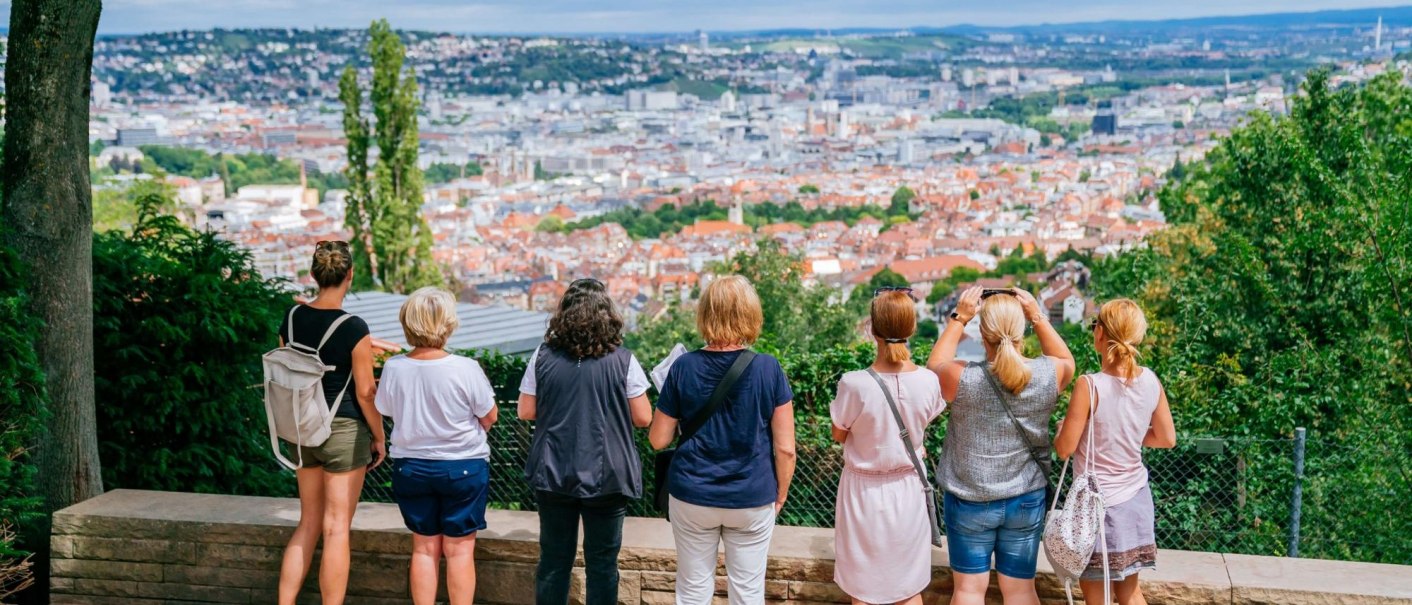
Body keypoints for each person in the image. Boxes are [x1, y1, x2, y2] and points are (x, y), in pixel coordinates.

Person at [648, 275, 797, 605]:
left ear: (705, 314)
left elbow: (658, 440)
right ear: (750, 314)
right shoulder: (768, 369)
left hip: (692, 494)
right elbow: (786, 448)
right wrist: (780, 495)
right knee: (747, 591)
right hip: (751, 495)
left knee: (693, 589)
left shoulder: (683, 367)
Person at [927, 286, 1075, 605]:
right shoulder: (1049, 374)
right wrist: (1037, 314)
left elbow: (933, 368)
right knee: (1021, 591)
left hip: (970, 497)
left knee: (968, 591)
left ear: (982, 333)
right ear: (1022, 330)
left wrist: (959, 317)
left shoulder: (961, 378)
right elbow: (1066, 358)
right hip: (1025, 498)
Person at [517, 278, 654, 605]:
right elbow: (643, 417)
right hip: (607, 475)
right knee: (603, 564)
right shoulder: (624, 360)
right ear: (607, 313)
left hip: (554, 471)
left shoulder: (543, 355)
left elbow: (525, 410)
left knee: (553, 562)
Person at [275, 241, 385, 605]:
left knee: (307, 523)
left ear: (314, 275)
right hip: (343, 430)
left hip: (301, 427)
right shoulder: (354, 327)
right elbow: (367, 392)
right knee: (336, 529)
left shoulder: (291, 319)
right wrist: (380, 436)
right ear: (349, 275)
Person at [375, 287, 499, 605]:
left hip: (411, 466)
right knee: (459, 551)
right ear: (448, 323)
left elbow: (386, 409)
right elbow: (490, 416)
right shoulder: (465, 368)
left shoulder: (394, 367)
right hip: (463, 466)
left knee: (424, 547)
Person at [1053, 299, 1175, 605]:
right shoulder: (1150, 380)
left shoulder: (1089, 386)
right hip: (1135, 500)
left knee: (1098, 598)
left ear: (1101, 333)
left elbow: (1065, 449)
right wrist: (1129, 435)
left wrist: (1060, 431)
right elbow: (1166, 438)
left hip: (1097, 509)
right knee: (1131, 593)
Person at [830, 288, 946, 605]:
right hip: (908, 490)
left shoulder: (853, 383)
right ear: (910, 328)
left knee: (864, 589)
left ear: (872, 328)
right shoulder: (928, 381)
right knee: (908, 589)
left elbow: (838, 434)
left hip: (862, 494)